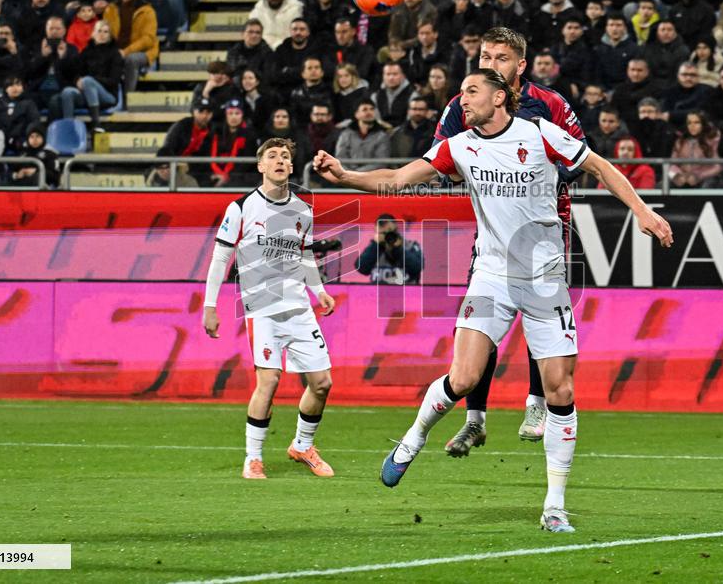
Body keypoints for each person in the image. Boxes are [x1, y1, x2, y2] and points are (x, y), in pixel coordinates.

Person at [313, 68, 673, 532]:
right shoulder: (459, 144)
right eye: (461, 92)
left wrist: (642, 211)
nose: (462, 100)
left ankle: (554, 506)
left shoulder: (541, 133)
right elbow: (400, 178)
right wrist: (344, 175)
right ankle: (413, 437)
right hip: (491, 277)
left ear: (500, 97)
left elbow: (599, 166)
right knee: (463, 377)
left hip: (544, 278)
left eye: (472, 91)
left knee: (560, 389)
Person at [430, 27, 589, 457]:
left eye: (500, 59)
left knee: (542, 319)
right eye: (484, 57)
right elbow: (442, 158)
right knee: (483, 323)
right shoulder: (463, 103)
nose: (489, 65)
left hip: (543, 230)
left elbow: (579, 157)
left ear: (520, 65)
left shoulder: (550, 105)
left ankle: (537, 405)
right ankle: (474, 420)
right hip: (493, 232)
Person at [203, 137, 337, 480]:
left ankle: (302, 445)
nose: (280, 160)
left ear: (292, 167)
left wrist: (319, 291)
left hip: (299, 309)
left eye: (286, 156)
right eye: (272, 156)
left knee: (322, 383)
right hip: (262, 311)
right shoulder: (242, 207)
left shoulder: (303, 211)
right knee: (270, 380)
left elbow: (303, 255)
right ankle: (253, 458)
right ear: (261, 166)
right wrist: (210, 306)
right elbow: (221, 257)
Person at [52, 20, 123, 130]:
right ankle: (68, 129)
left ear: (110, 35)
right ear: (93, 33)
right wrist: (77, 80)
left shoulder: (115, 54)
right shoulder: (87, 51)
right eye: (99, 31)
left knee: (88, 81)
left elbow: (114, 81)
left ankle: (96, 123)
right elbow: (75, 71)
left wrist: (90, 81)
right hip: (87, 93)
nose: (102, 35)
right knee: (67, 92)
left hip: (108, 96)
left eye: (106, 32)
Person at [103, 0, 159, 96]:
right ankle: (108, 98)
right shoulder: (110, 9)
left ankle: (128, 99)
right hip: (117, 50)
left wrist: (126, 51)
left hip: (144, 52)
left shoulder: (147, 11)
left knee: (131, 59)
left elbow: (148, 40)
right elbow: (106, 34)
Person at [355, 213, 424, 284]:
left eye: (391, 232)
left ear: (396, 230)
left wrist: (398, 249)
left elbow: (417, 268)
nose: (387, 236)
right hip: (378, 293)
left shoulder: (410, 246)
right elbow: (362, 269)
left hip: (406, 293)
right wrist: (375, 246)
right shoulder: (374, 249)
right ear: (376, 232)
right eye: (383, 233)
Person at [8, 122, 59, 187]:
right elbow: (10, 171)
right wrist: (16, 175)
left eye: (37, 136)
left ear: (43, 137)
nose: (34, 140)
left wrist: (35, 171)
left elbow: (55, 176)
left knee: (37, 178)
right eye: (31, 137)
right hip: (20, 184)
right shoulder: (22, 152)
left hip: (41, 187)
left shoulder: (50, 153)